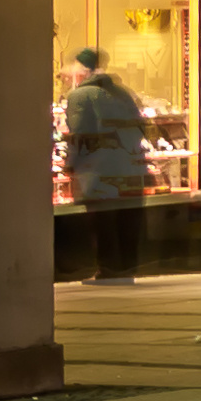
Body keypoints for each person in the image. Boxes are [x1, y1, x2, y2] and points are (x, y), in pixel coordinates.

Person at [59, 50, 153, 283]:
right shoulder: (122, 92)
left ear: (80, 71)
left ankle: (108, 269)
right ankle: (127, 269)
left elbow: (79, 135)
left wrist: (70, 164)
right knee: (127, 219)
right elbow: (140, 126)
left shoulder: (80, 96)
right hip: (131, 166)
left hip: (100, 168)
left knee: (103, 220)